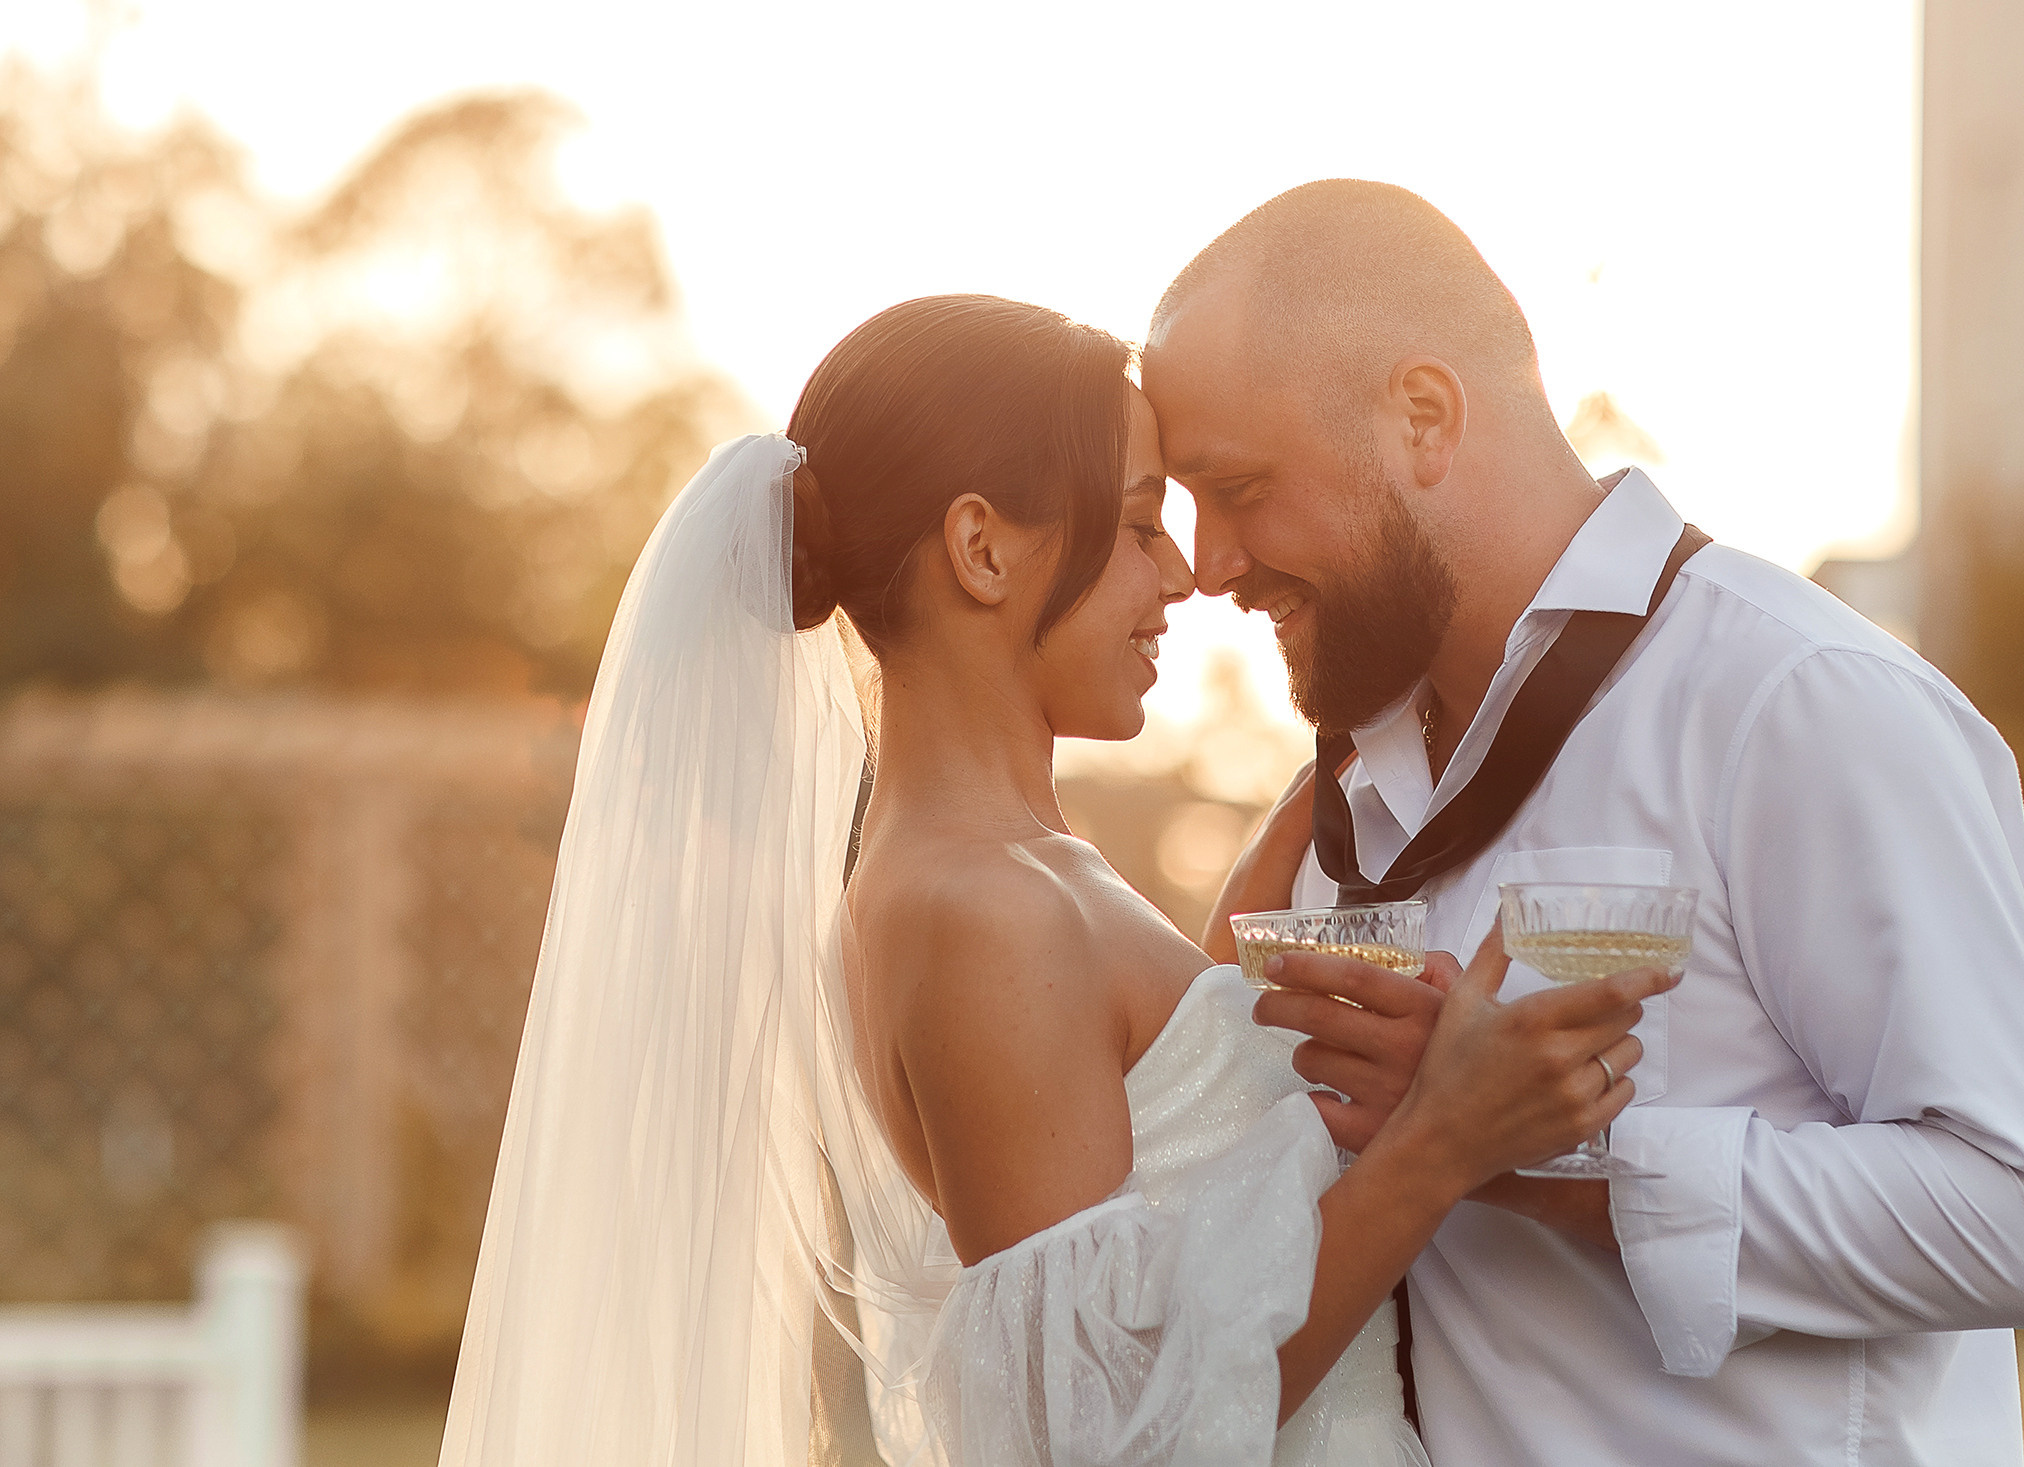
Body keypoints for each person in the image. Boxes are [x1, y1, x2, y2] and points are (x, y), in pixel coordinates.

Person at [438, 293, 1670, 1467]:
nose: (1183, 575)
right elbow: (1105, 1428)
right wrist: (1443, 1143)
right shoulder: (973, 910)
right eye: (1139, 525)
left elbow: (1149, 1120)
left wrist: (1324, 780)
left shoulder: (1010, 872)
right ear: (981, 548)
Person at [1144, 180, 2024, 1467]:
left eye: (1239, 485)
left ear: (1422, 417)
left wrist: (1537, 1157)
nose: (1207, 563)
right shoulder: (1333, 805)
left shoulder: (1796, 702)